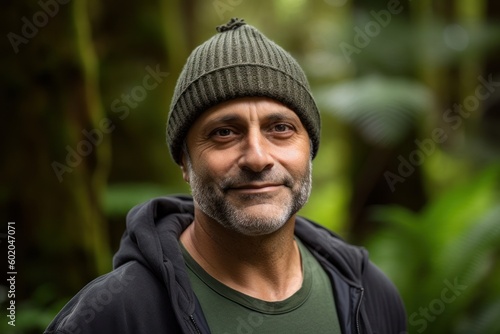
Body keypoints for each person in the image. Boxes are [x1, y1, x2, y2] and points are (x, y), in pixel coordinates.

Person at [45, 18, 407, 334]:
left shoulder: (370, 294)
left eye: (280, 128)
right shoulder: (111, 317)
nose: (257, 157)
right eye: (224, 133)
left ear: (309, 150)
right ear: (184, 163)